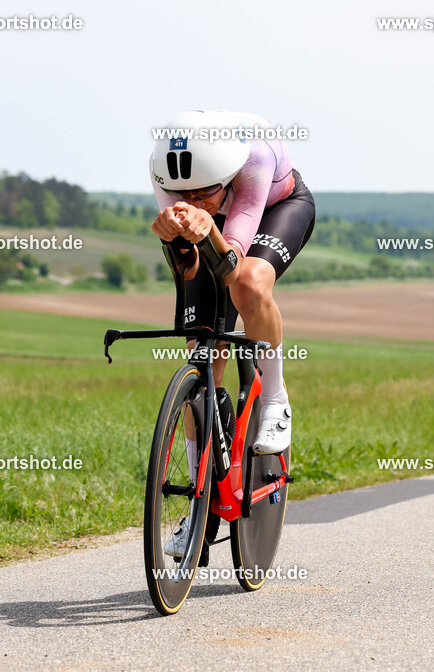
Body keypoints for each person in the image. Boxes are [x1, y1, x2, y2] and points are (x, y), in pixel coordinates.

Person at [149, 110, 316, 557]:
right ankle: (198, 505)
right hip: (219, 228)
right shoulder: (166, 169)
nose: (193, 201)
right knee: (202, 355)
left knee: (249, 285)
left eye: (204, 192)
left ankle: (275, 398)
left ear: (224, 177)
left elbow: (231, 267)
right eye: (184, 195)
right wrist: (173, 241)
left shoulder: (254, 158)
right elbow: (188, 268)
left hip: (276, 210)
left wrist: (209, 229)